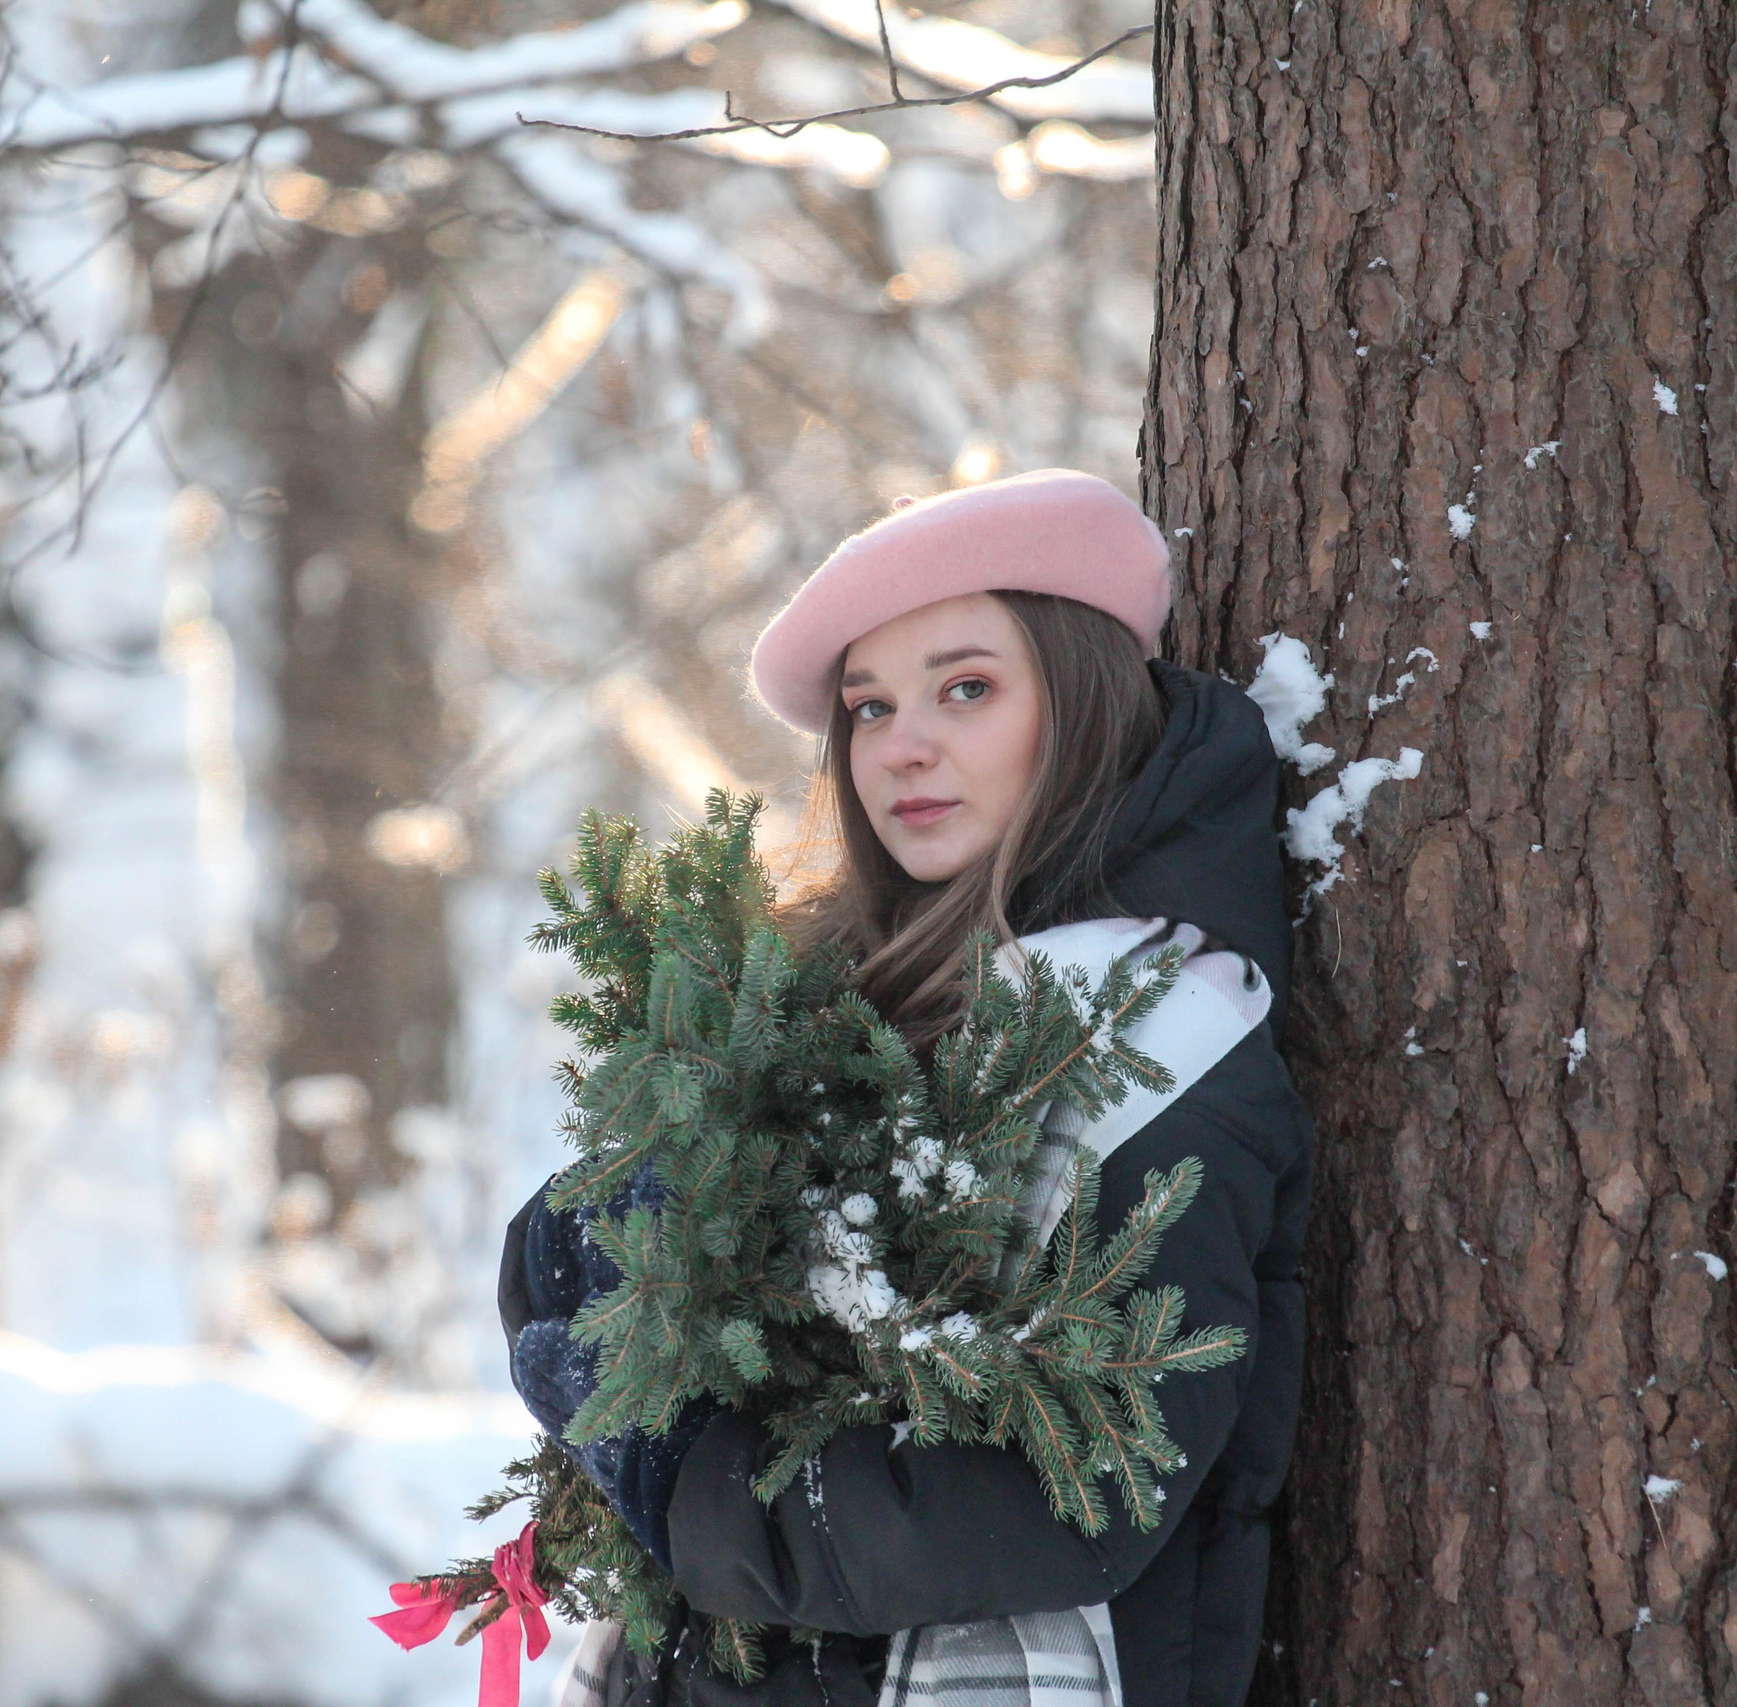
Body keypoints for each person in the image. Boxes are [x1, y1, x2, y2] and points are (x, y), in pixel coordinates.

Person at [499, 468, 1315, 1707]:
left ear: (1086, 700)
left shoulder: (1151, 1050)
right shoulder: (837, 1008)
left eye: (966, 689)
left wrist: (688, 1489)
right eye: (869, 708)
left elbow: (1074, 1490)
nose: (904, 746)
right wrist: (591, 1261)